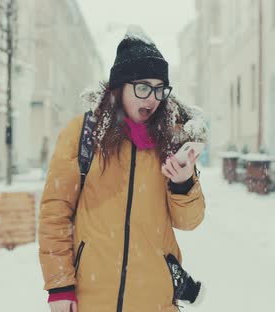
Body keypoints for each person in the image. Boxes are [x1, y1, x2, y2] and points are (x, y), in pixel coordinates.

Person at [38, 26, 207, 312]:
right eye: (143, 87)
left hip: (154, 300)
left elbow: (189, 221)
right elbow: (55, 213)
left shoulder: (171, 140)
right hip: (92, 299)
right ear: (119, 87)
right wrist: (60, 285)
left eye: (159, 89)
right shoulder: (84, 134)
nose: (152, 98)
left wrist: (183, 183)